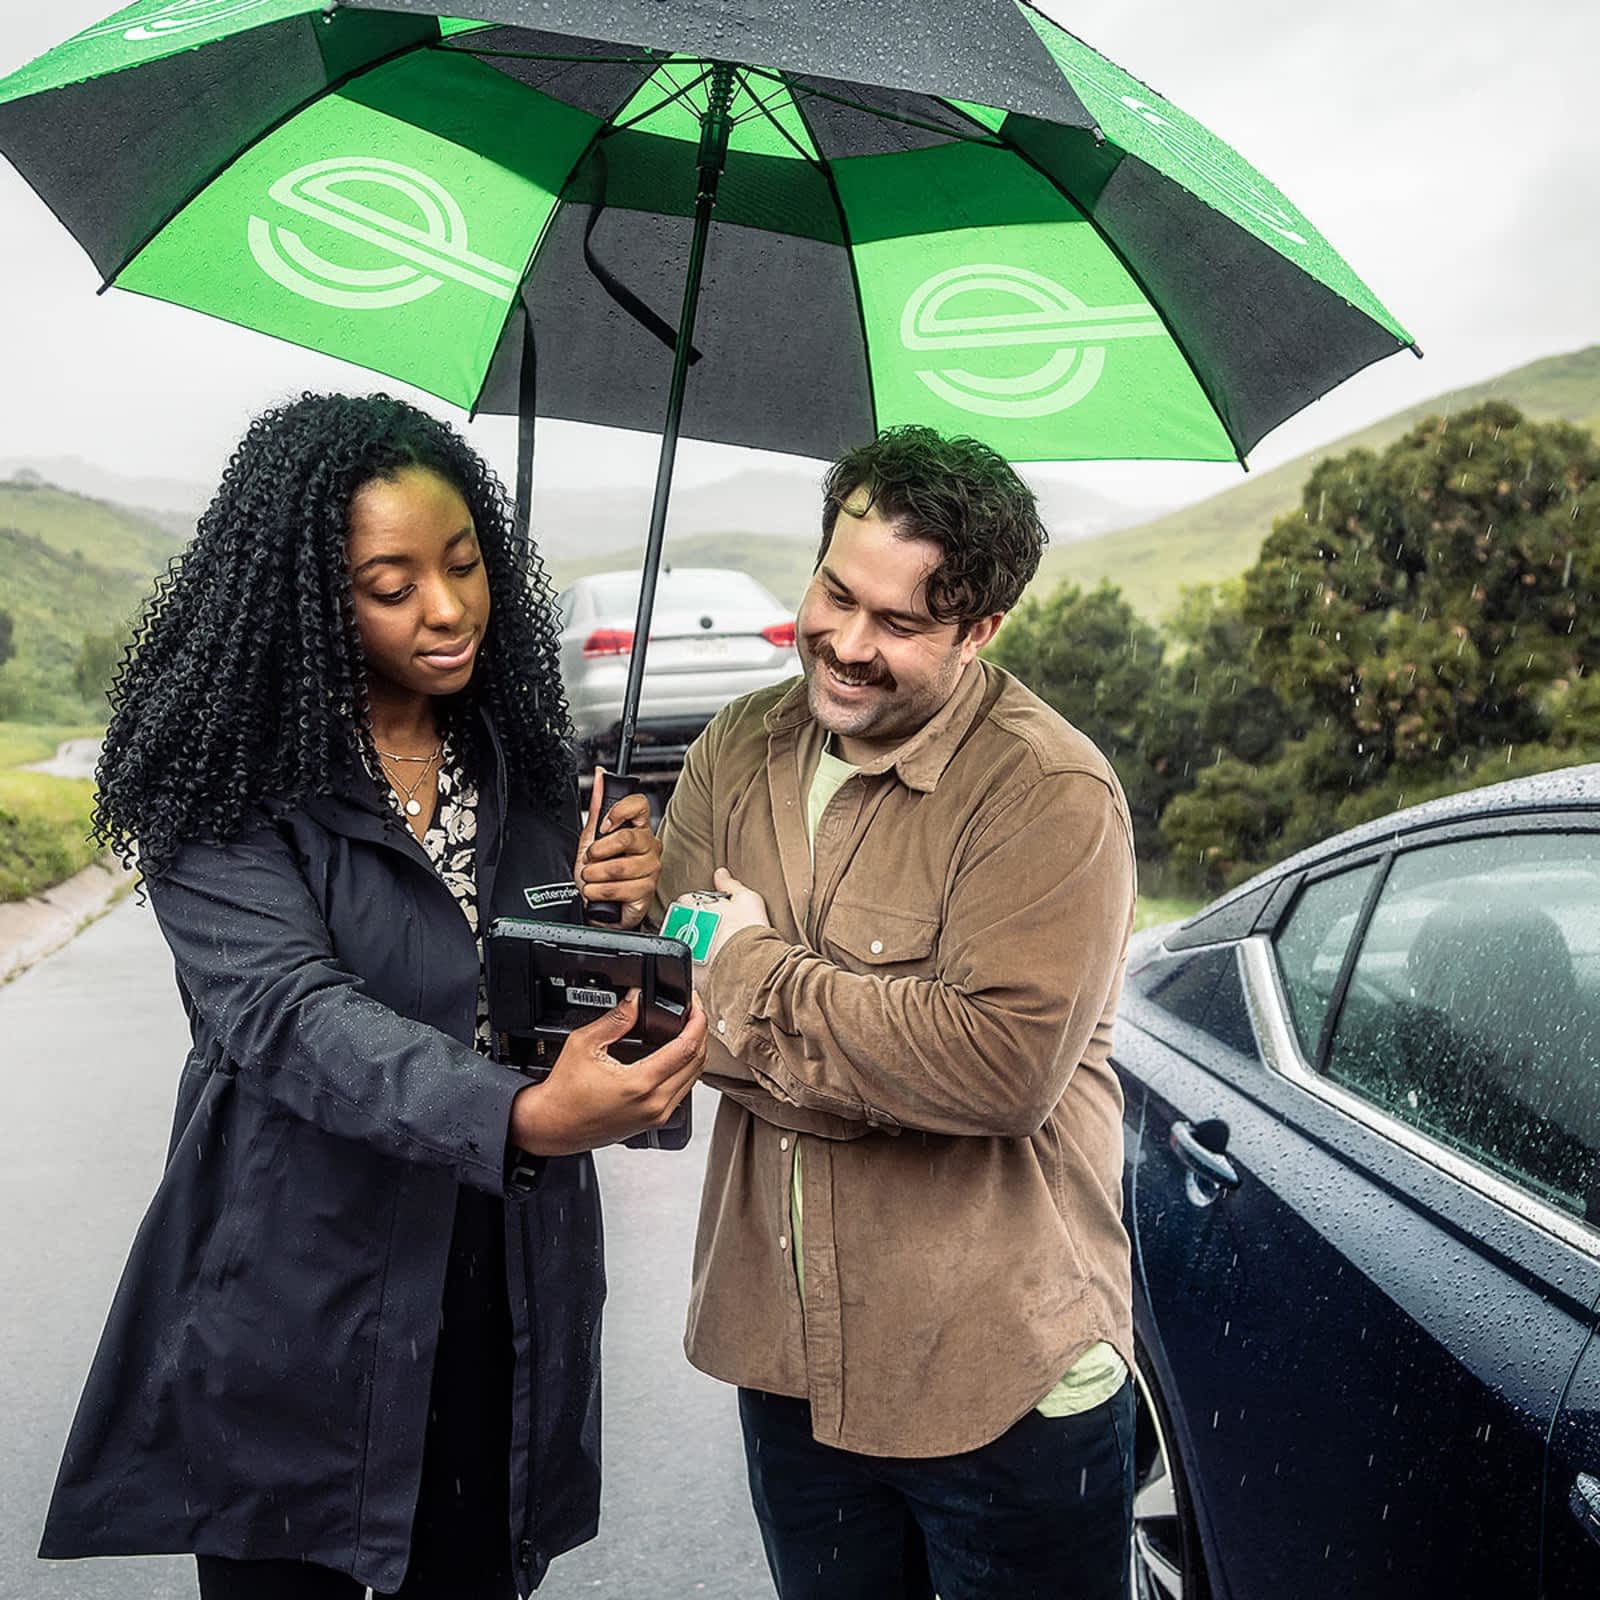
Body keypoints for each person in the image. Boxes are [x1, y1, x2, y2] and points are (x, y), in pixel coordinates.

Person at [38, 392, 707, 1600]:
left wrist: (617, 924)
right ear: (304, 600)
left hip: (500, 1288)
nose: (445, 608)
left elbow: (547, 1004)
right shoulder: (225, 787)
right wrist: (518, 1117)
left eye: (463, 563)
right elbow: (291, 1016)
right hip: (300, 1298)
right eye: (389, 586)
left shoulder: (525, 766)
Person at [656, 426, 1138, 1600]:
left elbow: (997, 1073)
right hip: (789, 1363)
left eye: (900, 622)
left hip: (1002, 1379)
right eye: (836, 592)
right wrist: (878, 1057)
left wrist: (754, 970)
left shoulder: (1048, 792)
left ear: (980, 631)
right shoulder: (735, 746)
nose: (847, 643)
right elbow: (676, 1002)